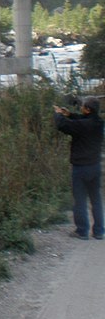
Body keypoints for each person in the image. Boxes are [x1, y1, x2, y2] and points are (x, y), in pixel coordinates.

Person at [54, 97, 104, 240]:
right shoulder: (98, 122)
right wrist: (69, 114)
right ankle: (99, 231)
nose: (80, 107)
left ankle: (82, 231)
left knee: (80, 200)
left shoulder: (83, 126)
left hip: (81, 168)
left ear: (88, 109)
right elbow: (82, 120)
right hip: (95, 167)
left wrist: (58, 114)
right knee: (96, 199)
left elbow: (62, 125)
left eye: (82, 106)